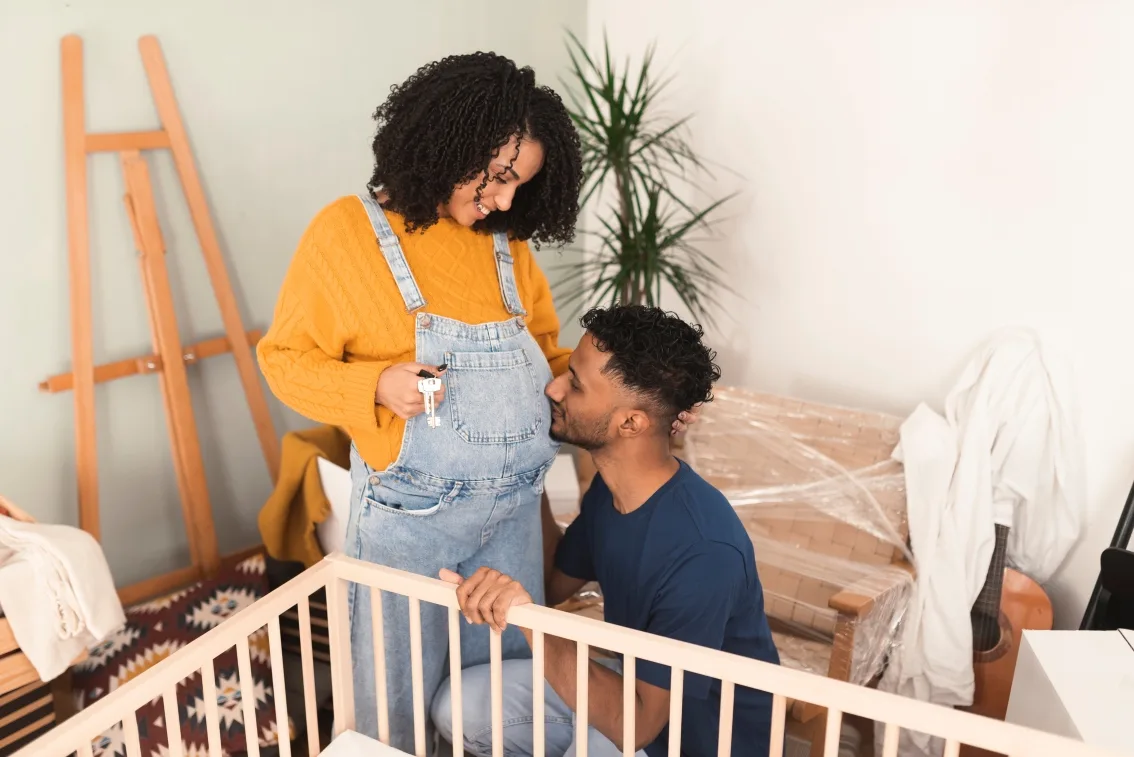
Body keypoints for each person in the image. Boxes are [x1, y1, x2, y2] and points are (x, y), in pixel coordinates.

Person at [256, 54, 694, 752]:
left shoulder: (505, 247)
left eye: (519, 185)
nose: (506, 201)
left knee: (498, 709)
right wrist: (372, 384)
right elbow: (281, 361)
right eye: (496, 176)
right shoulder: (345, 234)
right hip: (407, 533)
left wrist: (642, 399)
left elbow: (551, 363)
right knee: (393, 716)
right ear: (445, 144)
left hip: (512, 529)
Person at [431, 304, 781, 757]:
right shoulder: (610, 489)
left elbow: (636, 728)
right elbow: (556, 582)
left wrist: (533, 624)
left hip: (685, 740)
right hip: (631, 695)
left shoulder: (704, 553)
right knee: (461, 704)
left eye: (575, 383)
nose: (554, 388)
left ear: (630, 423)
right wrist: (526, 472)